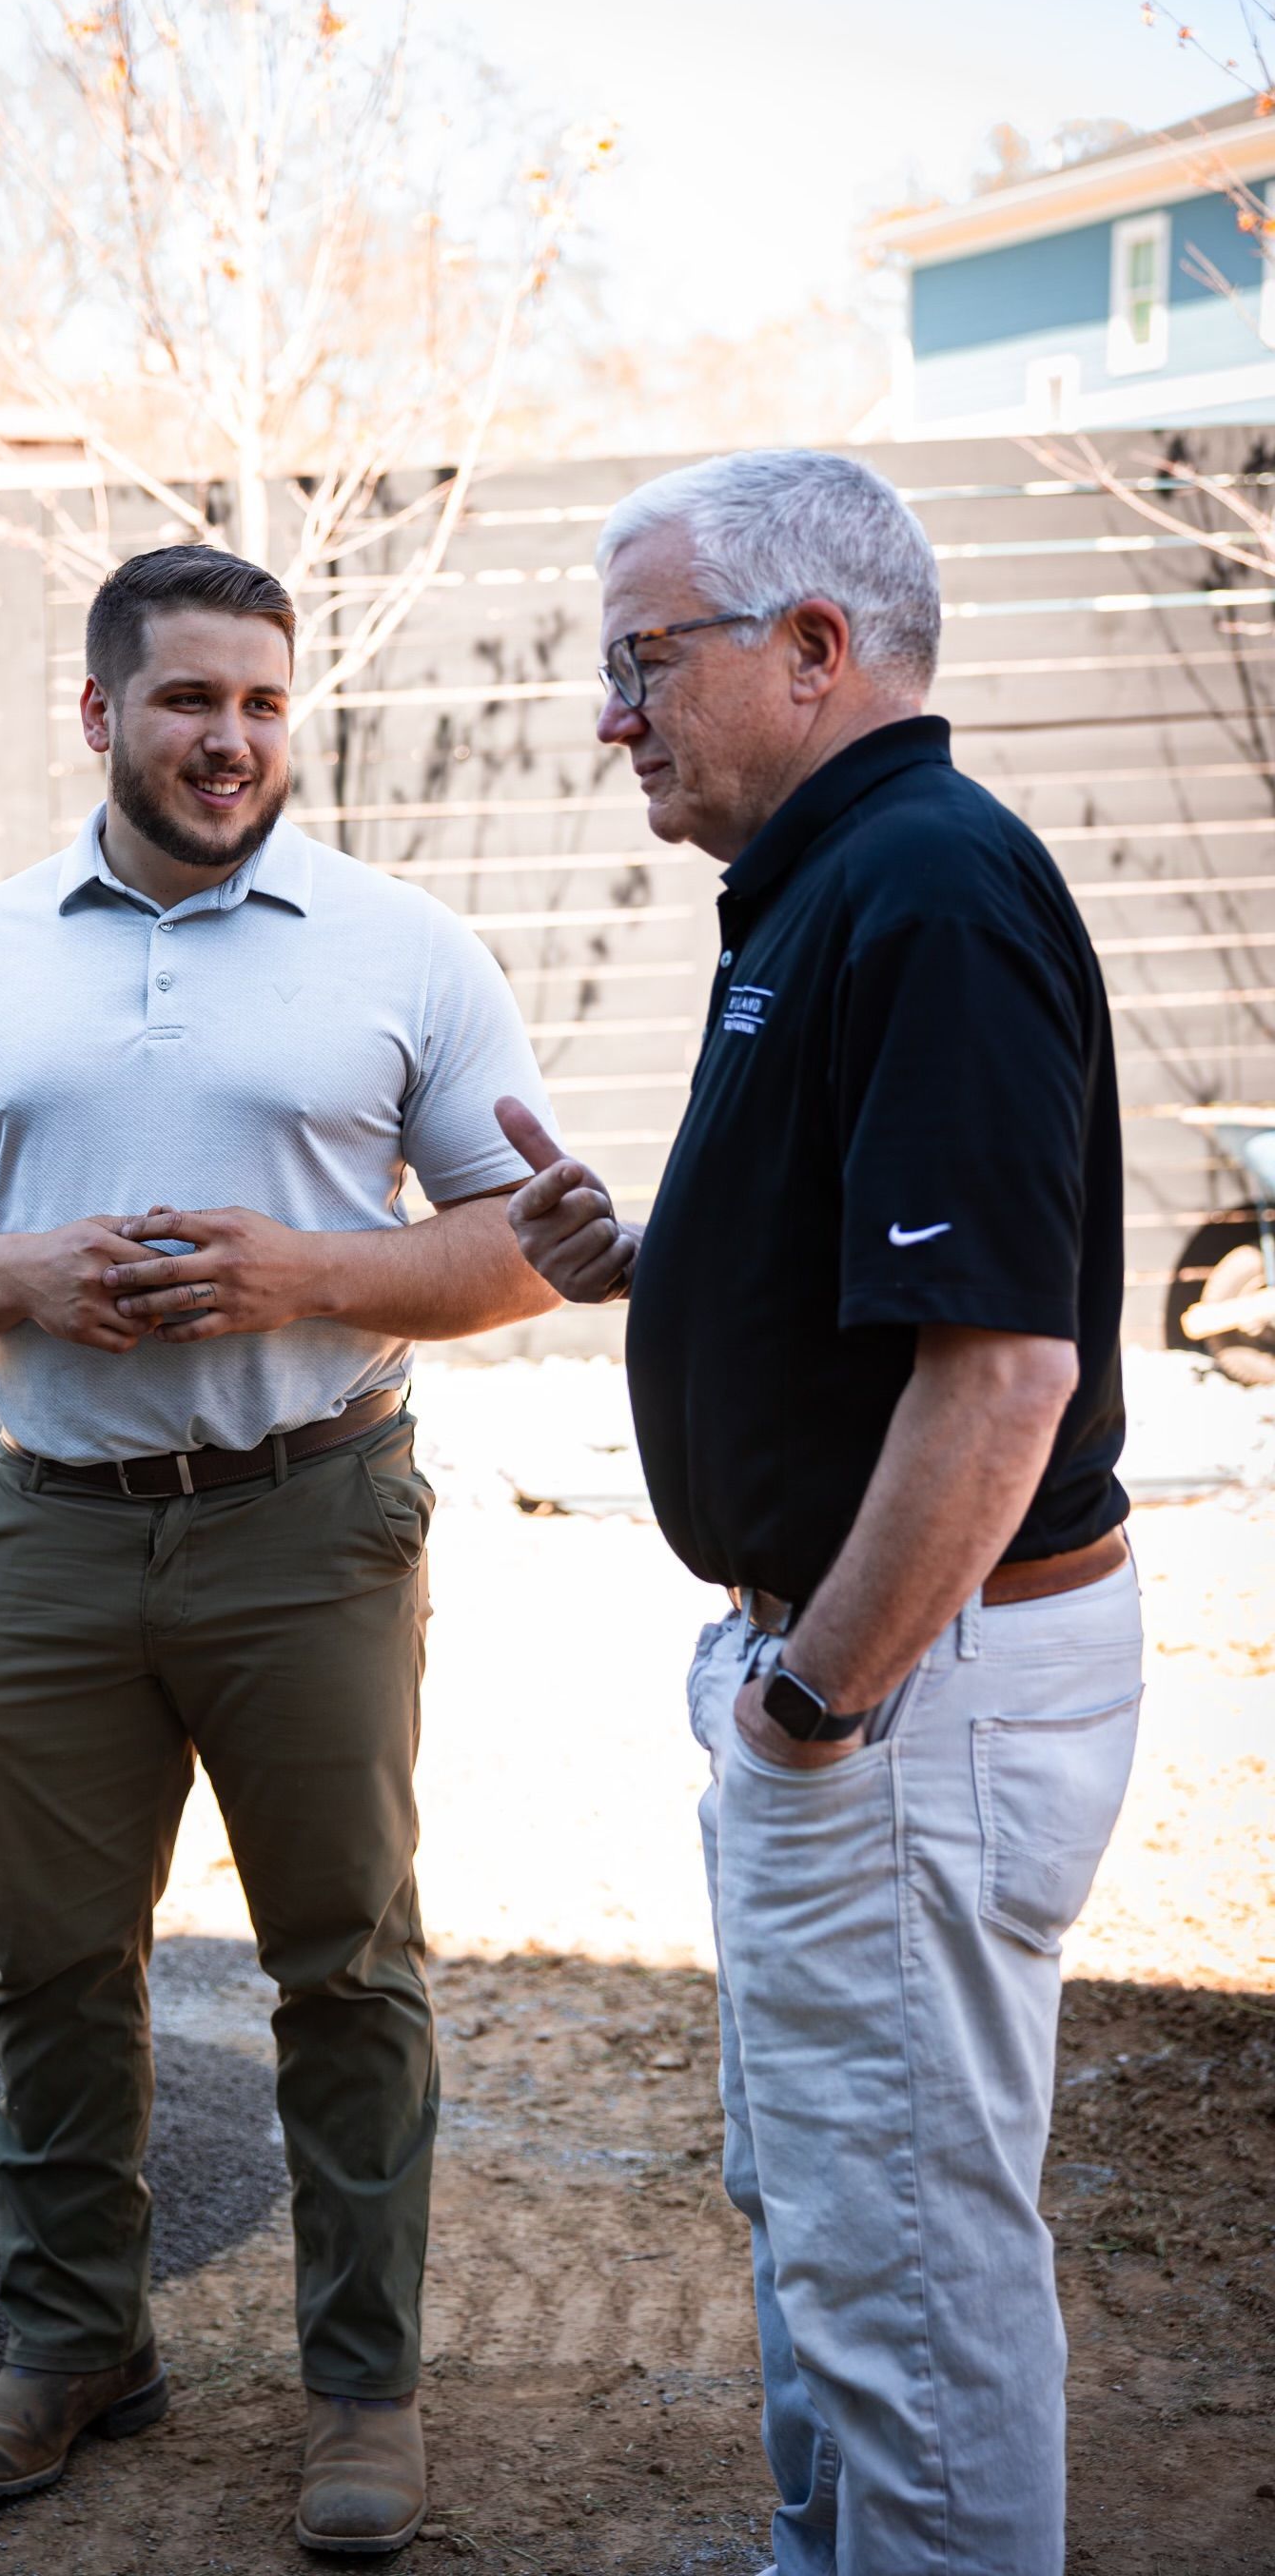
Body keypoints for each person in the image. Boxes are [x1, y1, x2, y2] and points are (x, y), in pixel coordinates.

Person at [0, 542, 555, 2555]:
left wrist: (302, 1270)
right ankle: (74, 2351)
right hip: (48, 1536)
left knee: (348, 1971)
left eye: (258, 702)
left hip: (313, 1517)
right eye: (186, 702)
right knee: (55, 1971)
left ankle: (361, 2389)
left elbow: (525, 1241)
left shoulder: (403, 946)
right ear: (99, 715)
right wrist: (17, 1277)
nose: (229, 741)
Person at [499, 448, 1139, 2576]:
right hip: (868, 1686)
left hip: (899, 1699)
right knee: (833, 2223)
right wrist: (657, 1263)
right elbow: (873, 1279)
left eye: (642, 661)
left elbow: (1002, 1370)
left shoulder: (928, 886)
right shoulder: (833, 884)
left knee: (913, 2285)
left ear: (813, 646)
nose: (614, 716)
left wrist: (812, 1713)